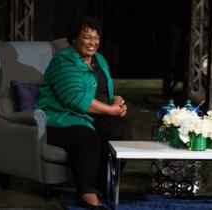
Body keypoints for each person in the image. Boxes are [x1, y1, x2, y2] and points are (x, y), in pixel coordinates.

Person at [36, 16, 135, 209]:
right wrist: (111, 110)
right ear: (74, 39)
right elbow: (75, 99)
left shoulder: (100, 60)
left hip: (92, 118)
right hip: (63, 119)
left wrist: (117, 101)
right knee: (86, 136)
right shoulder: (63, 62)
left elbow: (106, 92)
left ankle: (103, 185)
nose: (93, 43)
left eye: (96, 38)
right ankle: (86, 192)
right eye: (87, 37)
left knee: (123, 131)